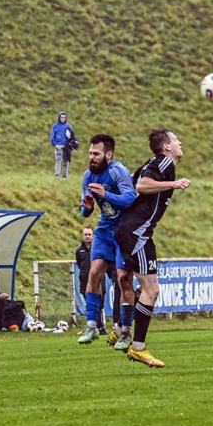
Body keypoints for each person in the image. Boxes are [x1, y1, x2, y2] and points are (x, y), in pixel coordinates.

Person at [114, 128, 190, 368]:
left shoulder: (156, 162)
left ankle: (120, 328)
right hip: (138, 233)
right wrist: (174, 184)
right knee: (152, 290)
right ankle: (138, 348)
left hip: (130, 230)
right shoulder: (164, 161)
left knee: (134, 285)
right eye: (176, 139)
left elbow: (133, 182)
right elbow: (142, 185)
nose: (180, 143)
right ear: (167, 146)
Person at [77, 134, 137, 345]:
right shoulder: (88, 176)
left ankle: (126, 332)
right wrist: (88, 206)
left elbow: (131, 199)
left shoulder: (117, 171)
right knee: (94, 273)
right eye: (90, 153)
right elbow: (85, 213)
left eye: (96, 154)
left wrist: (106, 195)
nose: (92, 157)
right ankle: (92, 326)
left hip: (124, 230)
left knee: (123, 279)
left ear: (108, 155)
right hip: (104, 229)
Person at [75, 226, 120, 336]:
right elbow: (79, 264)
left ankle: (101, 327)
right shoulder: (79, 250)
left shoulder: (99, 249)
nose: (87, 236)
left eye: (89, 234)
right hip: (85, 282)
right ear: (82, 236)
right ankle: (92, 326)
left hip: (99, 281)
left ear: (93, 236)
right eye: (85, 234)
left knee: (100, 305)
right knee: (89, 305)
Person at [50, 111, 75, 180]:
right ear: (59, 118)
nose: (63, 119)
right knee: (58, 161)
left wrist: (71, 144)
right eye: (61, 117)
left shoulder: (68, 126)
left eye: (64, 117)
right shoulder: (55, 126)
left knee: (66, 162)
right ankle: (57, 175)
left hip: (66, 146)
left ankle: (64, 176)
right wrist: (54, 144)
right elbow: (52, 136)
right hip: (58, 146)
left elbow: (72, 135)